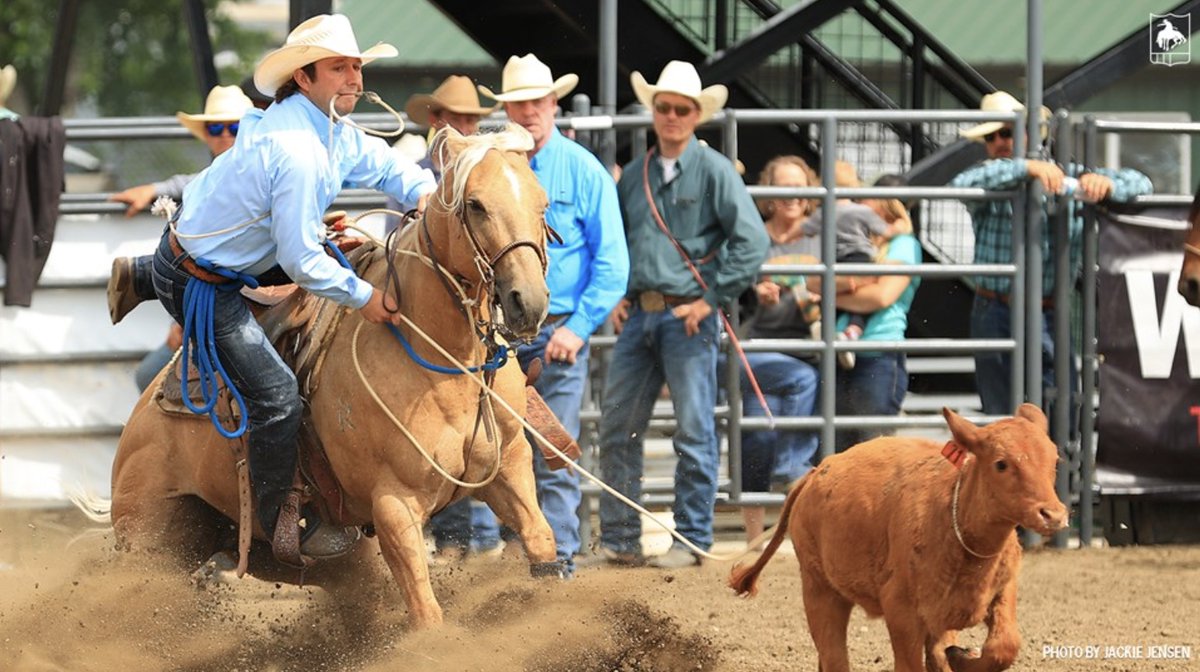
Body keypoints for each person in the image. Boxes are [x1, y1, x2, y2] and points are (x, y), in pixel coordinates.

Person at [111, 14, 437, 561]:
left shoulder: (324, 129)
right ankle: (282, 521)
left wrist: (423, 193)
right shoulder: (299, 149)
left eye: (356, 65)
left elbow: (384, 166)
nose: (354, 77)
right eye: (339, 67)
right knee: (277, 395)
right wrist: (366, 298)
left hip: (228, 255)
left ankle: (144, 271)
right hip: (204, 284)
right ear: (304, 79)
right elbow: (301, 258)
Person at [425, 54, 628, 577]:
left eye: (537, 101)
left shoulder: (583, 170)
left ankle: (554, 563)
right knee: (477, 446)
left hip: (555, 331)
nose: (529, 111)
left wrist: (579, 329)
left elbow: (612, 265)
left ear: (553, 104)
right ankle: (490, 557)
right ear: (507, 109)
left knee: (547, 454)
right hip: (490, 334)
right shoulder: (486, 167)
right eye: (518, 103)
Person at [596, 60, 769, 569]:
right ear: (654, 111)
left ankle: (691, 538)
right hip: (645, 314)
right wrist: (617, 293)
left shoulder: (713, 170)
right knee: (617, 428)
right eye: (664, 107)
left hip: (686, 317)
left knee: (694, 430)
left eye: (681, 109)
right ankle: (622, 539)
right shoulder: (636, 177)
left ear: (696, 115)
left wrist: (710, 300)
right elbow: (619, 242)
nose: (671, 116)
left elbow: (752, 242)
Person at [950, 91, 1152, 418]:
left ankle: (1056, 466)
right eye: (991, 136)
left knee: (1062, 409)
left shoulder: (1067, 176)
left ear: (1031, 133)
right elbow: (960, 185)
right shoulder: (990, 182)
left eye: (1008, 132)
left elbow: (1141, 183)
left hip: (1046, 309)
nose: (1000, 141)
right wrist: (1026, 168)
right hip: (996, 308)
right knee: (1001, 412)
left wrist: (1105, 184)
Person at [107, 85, 255, 391]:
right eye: (216, 126)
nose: (226, 134)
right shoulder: (212, 179)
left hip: (240, 295)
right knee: (149, 375)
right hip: (219, 295)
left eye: (234, 127)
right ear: (207, 134)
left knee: (149, 376)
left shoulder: (245, 176)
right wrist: (153, 189)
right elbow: (190, 183)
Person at [735, 155, 822, 544]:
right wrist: (755, 293)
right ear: (768, 194)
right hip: (761, 346)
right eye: (781, 187)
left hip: (805, 345)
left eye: (798, 188)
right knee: (760, 431)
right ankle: (757, 536)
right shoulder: (755, 237)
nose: (790, 196)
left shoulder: (821, 235)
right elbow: (733, 287)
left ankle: (790, 533)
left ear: (808, 195)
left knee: (761, 432)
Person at [802, 160, 897, 369]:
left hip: (834, 260)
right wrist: (899, 226)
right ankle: (853, 331)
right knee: (859, 299)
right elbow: (886, 231)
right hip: (860, 257)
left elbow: (805, 229)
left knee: (830, 294)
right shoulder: (862, 212)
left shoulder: (823, 212)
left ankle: (823, 327)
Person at [384, 74, 494, 232]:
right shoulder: (408, 176)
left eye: (470, 120)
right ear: (434, 120)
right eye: (455, 119)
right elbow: (392, 239)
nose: (462, 130)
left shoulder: (488, 176)